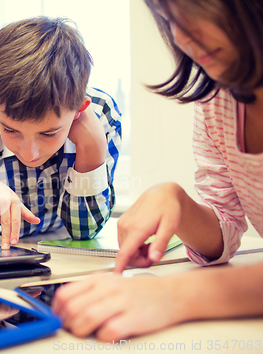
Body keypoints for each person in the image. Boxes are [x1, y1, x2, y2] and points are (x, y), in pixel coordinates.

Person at [53, 0, 263, 342]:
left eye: (194, 9)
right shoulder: (216, 101)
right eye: (168, 19)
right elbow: (224, 236)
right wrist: (177, 202)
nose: (180, 35)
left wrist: (176, 295)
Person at [0, 17, 122, 248]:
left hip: (60, 259)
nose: (30, 154)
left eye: (49, 133)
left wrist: (92, 146)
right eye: (9, 129)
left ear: (79, 110)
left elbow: (86, 231)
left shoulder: (101, 117)